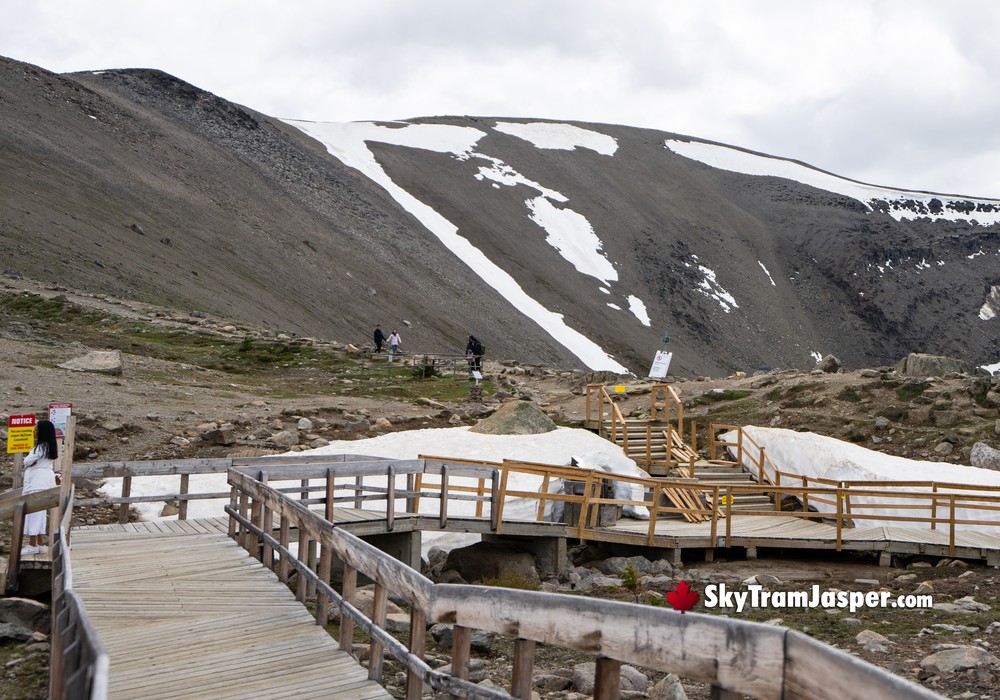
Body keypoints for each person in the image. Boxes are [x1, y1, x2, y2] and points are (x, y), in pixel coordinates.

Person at [21, 419, 58, 557]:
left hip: (37, 483)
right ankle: (41, 543)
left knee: (33, 514)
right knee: (40, 514)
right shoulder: (48, 447)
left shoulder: (41, 447)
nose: (34, 431)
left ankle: (32, 544)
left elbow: (27, 461)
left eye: (36, 429)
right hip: (43, 481)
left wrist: (28, 459)